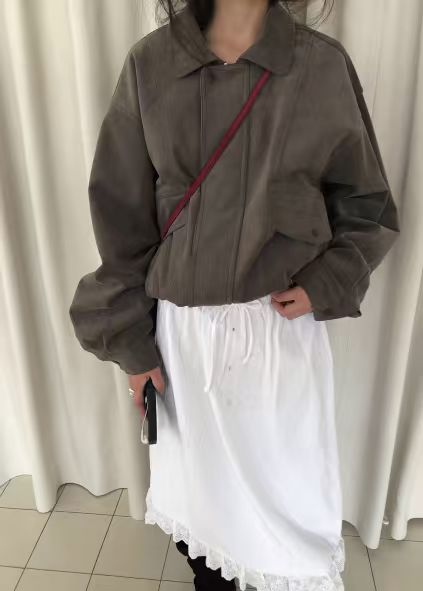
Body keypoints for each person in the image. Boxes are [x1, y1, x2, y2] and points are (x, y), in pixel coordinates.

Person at [70, 1, 400, 590]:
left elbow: (366, 205)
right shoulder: (151, 64)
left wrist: (325, 283)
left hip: (276, 338)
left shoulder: (320, 66)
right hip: (184, 341)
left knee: (285, 526)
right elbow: (122, 222)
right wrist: (133, 346)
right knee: (202, 522)